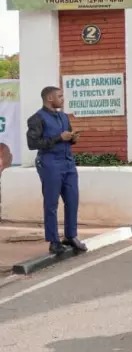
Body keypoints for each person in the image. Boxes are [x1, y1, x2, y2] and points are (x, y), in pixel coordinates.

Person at [26, 86, 86, 255]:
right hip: (49, 163)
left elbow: (67, 138)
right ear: (50, 98)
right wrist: (59, 138)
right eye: (59, 96)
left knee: (72, 199)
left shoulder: (63, 117)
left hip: (68, 162)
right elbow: (32, 144)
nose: (63, 98)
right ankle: (54, 241)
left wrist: (72, 139)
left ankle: (71, 236)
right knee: (51, 203)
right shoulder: (37, 118)